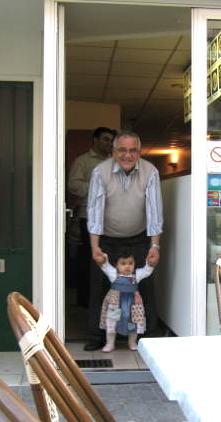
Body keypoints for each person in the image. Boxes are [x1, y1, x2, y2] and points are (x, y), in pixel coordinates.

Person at [85, 130, 163, 351]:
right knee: (101, 289)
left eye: (133, 150)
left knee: (142, 287)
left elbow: (155, 212)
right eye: (122, 150)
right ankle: (98, 335)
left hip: (139, 238)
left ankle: (146, 336)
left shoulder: (150, 172)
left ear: (139, 151)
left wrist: (154, 246)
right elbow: (95, 210)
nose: (127, 155)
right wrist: (95, 247)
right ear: (113, 151)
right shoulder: (100, 171)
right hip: (107, 239)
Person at [67, 127, 117, 307]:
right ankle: (86, 301)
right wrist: (97, 186)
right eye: (105, 139)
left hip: (111, 217)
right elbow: (73, 185)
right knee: (89, 259)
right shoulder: (83, 161)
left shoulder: (114, 162)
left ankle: (105, 299)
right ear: (95, 140)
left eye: (111, 140)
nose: (108, 143)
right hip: (89, 217)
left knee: (108, 259)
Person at [97, 250, 154, 352]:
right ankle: (110, 343)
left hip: (133, 304)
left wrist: (149, 264)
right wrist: (104, 258)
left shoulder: (137, 275)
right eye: (123, 264)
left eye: (130, 263)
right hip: (115, 303)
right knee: (112, 322)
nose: (127, 266)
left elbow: (146, 271)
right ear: (116, 265)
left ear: (134, 264)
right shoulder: (113, 274)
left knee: (133, 322)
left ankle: (132, 342)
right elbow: (105, 267)